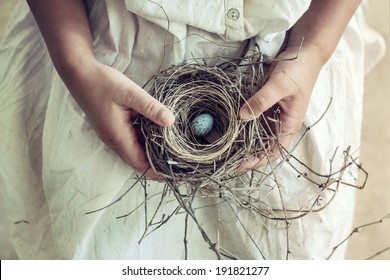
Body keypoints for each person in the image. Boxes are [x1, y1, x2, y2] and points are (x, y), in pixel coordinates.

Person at [0, 0, 384, 259]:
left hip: (292, 49)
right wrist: (76, 63)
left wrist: (314, 48)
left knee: (279, 251)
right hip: (100, 53)